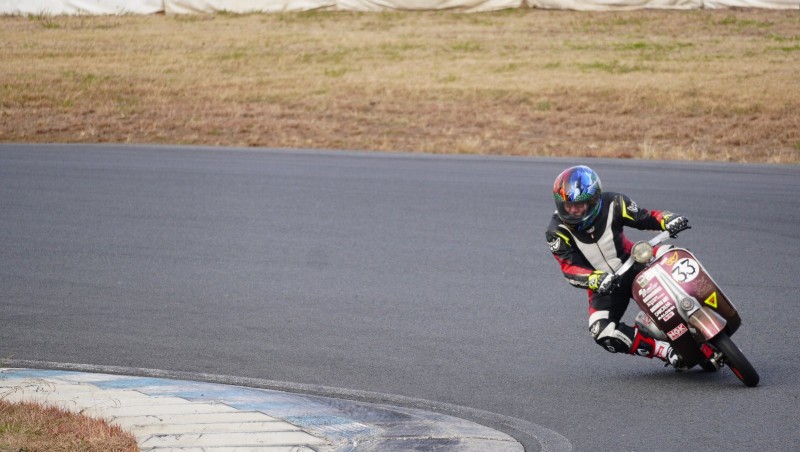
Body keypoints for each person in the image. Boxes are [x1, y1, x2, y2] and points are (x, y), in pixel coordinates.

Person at [545, 165, 690, 368]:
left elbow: (644, 217)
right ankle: (665, 351)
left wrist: (667, 219)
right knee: (600, 331)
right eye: (567, 205)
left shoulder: (614, 203)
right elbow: (569, 269)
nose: (573, 210)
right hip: (604, 285)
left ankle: (701, 304)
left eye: (579, 204)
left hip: (635, 263)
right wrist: (595, 279)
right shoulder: (556, 232)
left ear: (593, 199)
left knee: (671, 253)